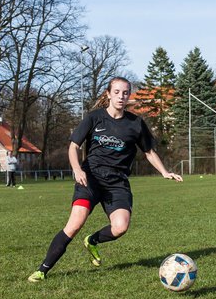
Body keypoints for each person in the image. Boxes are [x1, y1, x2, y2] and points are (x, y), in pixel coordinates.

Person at [29, 77, 181, 282]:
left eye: (125, 93)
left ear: (129, 95)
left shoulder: (135, 123)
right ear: (108, 94)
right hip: (90, 179)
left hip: (117, 183)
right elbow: (74, 146)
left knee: (120, 227)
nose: (121, 96)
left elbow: (149, 152)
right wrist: (76, 169)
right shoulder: (94, 118)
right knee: (74, 224)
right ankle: (42, 270)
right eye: (117, 92)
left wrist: (164, 171)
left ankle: (92, 240)